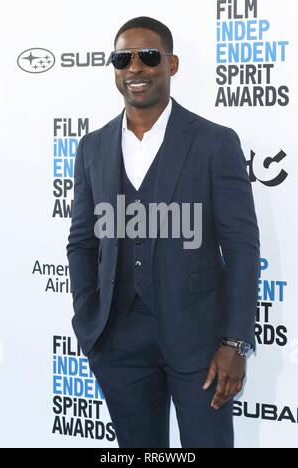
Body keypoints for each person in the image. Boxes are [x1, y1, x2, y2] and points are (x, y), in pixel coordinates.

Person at [67, 16, 260, 448]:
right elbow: (82, 242)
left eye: (148, 56)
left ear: (171, 64)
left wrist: (236, 342)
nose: (135, 67)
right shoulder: (92, 146)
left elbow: (243, 250)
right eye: (123, 58)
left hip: (202, 345)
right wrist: (87, 317)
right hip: (118, 342)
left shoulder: (214, 142)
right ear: (115, 68)